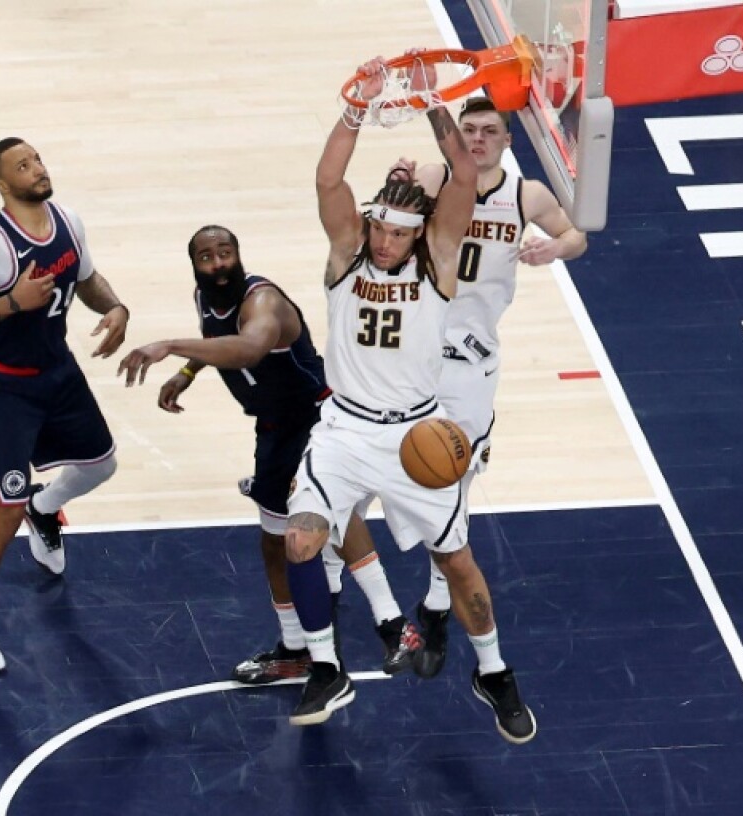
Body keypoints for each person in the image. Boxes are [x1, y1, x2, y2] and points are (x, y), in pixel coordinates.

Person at [280, 57, 536, 742]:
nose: (387, 241)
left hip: (416, 435)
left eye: (399, 231)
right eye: (380, 228)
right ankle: (325, 667)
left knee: (457, 563)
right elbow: (327, 179)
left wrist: (433, 101)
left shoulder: (440, 259)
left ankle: (493, 671)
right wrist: (356, 110)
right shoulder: (344, 254)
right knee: (299, 542)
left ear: (418, 232)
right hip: (342, 432)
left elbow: (460, 175)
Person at [115, 225, 422, 684]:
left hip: (317, 418)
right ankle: (293, 648)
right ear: (195, 265)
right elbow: (218, 337)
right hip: (275, 428)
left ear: (239, 254)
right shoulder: (207, 300)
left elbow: (248, 347)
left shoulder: (263, 302)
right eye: (207, 257)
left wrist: (170, 345)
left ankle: (395, 626)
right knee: (273, 541)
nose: (218, 263)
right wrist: (187, 371)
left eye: (225, 253)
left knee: (331, 516)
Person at [393, 96, 588, 680]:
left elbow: (577, 234)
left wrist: (557, 248)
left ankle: (432, 608)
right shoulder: (434, 177)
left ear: (506, 141)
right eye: (467, 130)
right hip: (409, 347)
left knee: (449, 486)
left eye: (487, 131)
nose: (476, 140)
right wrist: (399, 181)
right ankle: (405, 606)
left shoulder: (525, 196)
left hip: (472, 361)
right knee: (391, 480)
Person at [0, 137, 130, 674]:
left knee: (101, 463)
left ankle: (47, 508)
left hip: (55, 370)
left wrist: (115, 307)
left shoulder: (67, 221)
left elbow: (87, 280)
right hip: (1, 386)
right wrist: (11, 302)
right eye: (22, 165)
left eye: (37, 159)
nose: (36, 168)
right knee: (4, 507)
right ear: (1, 184)